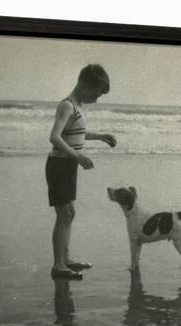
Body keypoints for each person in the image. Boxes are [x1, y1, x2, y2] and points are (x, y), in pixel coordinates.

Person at [46, 64, 117, 280]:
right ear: (85, 85)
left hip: (68, 167)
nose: (96, 99)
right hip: (59, 165)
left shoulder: (77, 106)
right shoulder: (67, 106)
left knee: (70, 213)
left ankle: (65, 260)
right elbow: (55, 137)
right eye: (96, 94)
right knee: (64, 214)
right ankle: (58, 266)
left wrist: (101, 136)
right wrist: (78, 156)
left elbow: (78, 133)